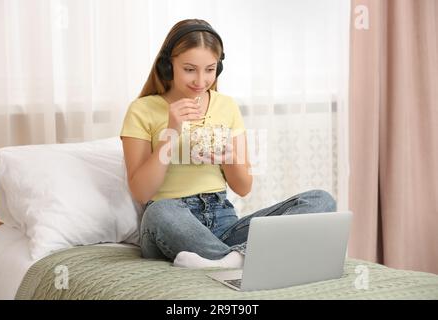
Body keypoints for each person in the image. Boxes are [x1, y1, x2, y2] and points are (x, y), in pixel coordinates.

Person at [120, 19, 336, 269]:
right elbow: (141, 192)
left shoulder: (226, 106)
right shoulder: (142, 110)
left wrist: (230, 158)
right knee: (160, 211)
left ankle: (227, 260)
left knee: (321, 201)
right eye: (190, 69)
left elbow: (243, 187)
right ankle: (244, 259)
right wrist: (172, 132)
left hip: (222, 219)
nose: (201, 80)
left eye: (210, 69)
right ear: (169, 66)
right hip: (170, 221)